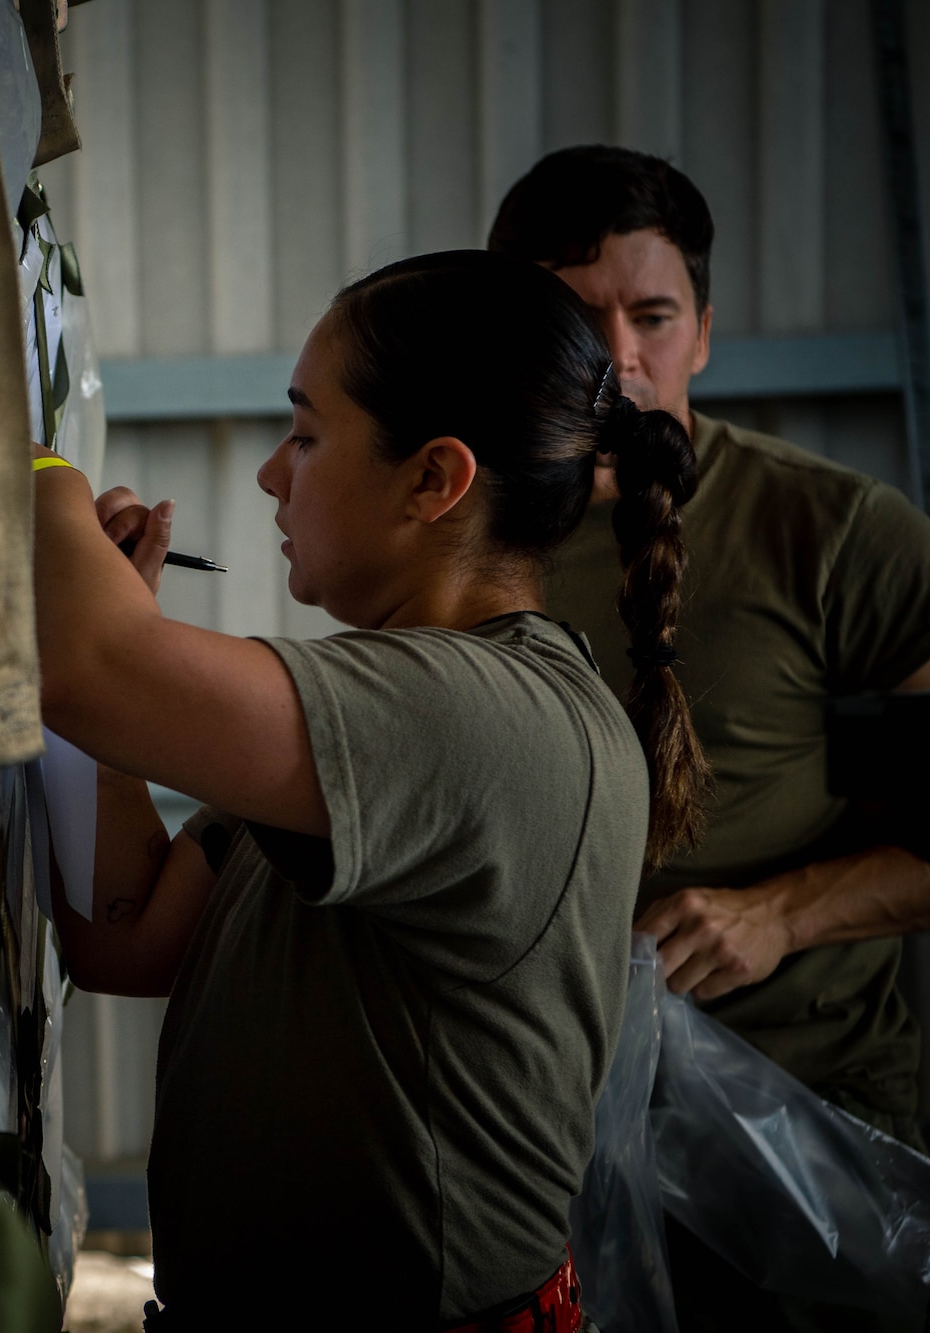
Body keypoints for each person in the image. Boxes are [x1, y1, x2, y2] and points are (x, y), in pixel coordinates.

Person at [31, 249, 701, 1329]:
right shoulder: (390, 713)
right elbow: (126, 937)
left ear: (434, 480)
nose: (268, 475)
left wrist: (27, 466)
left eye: (303, 435)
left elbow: (83, 665)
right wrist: (116, 655)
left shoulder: (472, 715)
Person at [490, 144, 930, 1332]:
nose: (621, 358)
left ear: (704, 329)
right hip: (526, 1126)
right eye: (579, 320)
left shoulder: (832, 535)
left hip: (808, 1123)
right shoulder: (448, 529)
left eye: (653, 315)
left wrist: (778, 913)